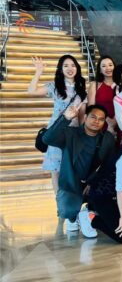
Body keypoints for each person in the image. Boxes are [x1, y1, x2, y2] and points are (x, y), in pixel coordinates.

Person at [41, 103, 116, 233]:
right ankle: (75, 215)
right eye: (93, 117)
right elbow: (47, 139)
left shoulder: (107, 139)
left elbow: (109, 165)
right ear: (85, 117)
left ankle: (87, 212)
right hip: (71, 183)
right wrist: (65, 118)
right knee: (67, 212)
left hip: (94, 184)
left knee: (105, 211)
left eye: (101, 119)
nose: (96, 121)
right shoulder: (71, 134)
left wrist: (93, 182)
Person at [28, 55, 87, 217]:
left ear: (77, 68)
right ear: (61, 69)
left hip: (73, 134)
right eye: (66, 66)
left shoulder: (81, 89)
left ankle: (73, 205)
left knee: (72, 170)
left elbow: (82, 116)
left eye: (73, 65)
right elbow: (31, 91)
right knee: (56, 171)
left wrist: (83, 135)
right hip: (56, 133)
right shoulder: (55, 86)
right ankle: (60, 205)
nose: (70, 68)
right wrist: (38, 71)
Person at [87, 55, 117, 135]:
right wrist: (107, 120)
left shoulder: (121, 85)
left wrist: (114, 122)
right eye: (104, 66)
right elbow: (91, 108)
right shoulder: (95, 85)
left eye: (110, 65)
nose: (108, 68)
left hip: (119, 125)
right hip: (99, 124)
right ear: (100, 70)